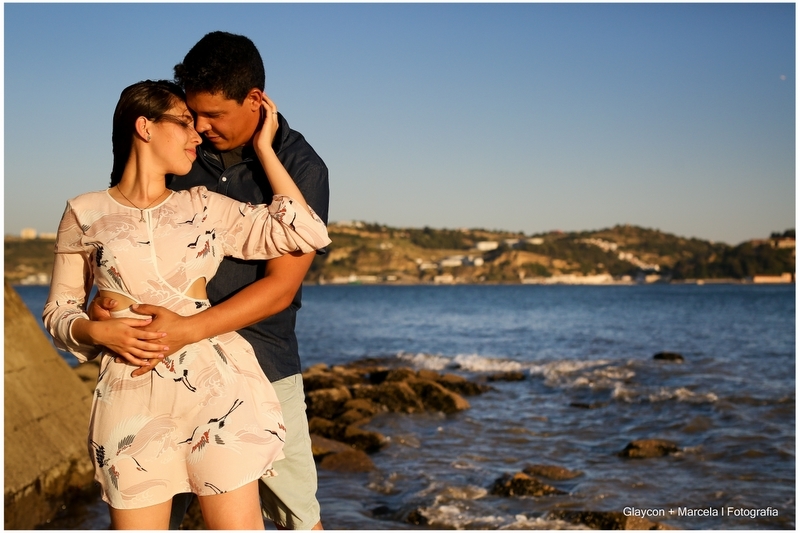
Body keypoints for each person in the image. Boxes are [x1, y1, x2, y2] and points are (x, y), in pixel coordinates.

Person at [43, 80, 331, 529]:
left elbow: (304, 230)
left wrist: (266, 148)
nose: (197, 134)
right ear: (145, 126)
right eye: (184, 123)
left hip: (215, 391)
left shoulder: (204, 206)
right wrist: (95, 332)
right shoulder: (84, 213)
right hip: (129, 398)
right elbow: (59, 311)